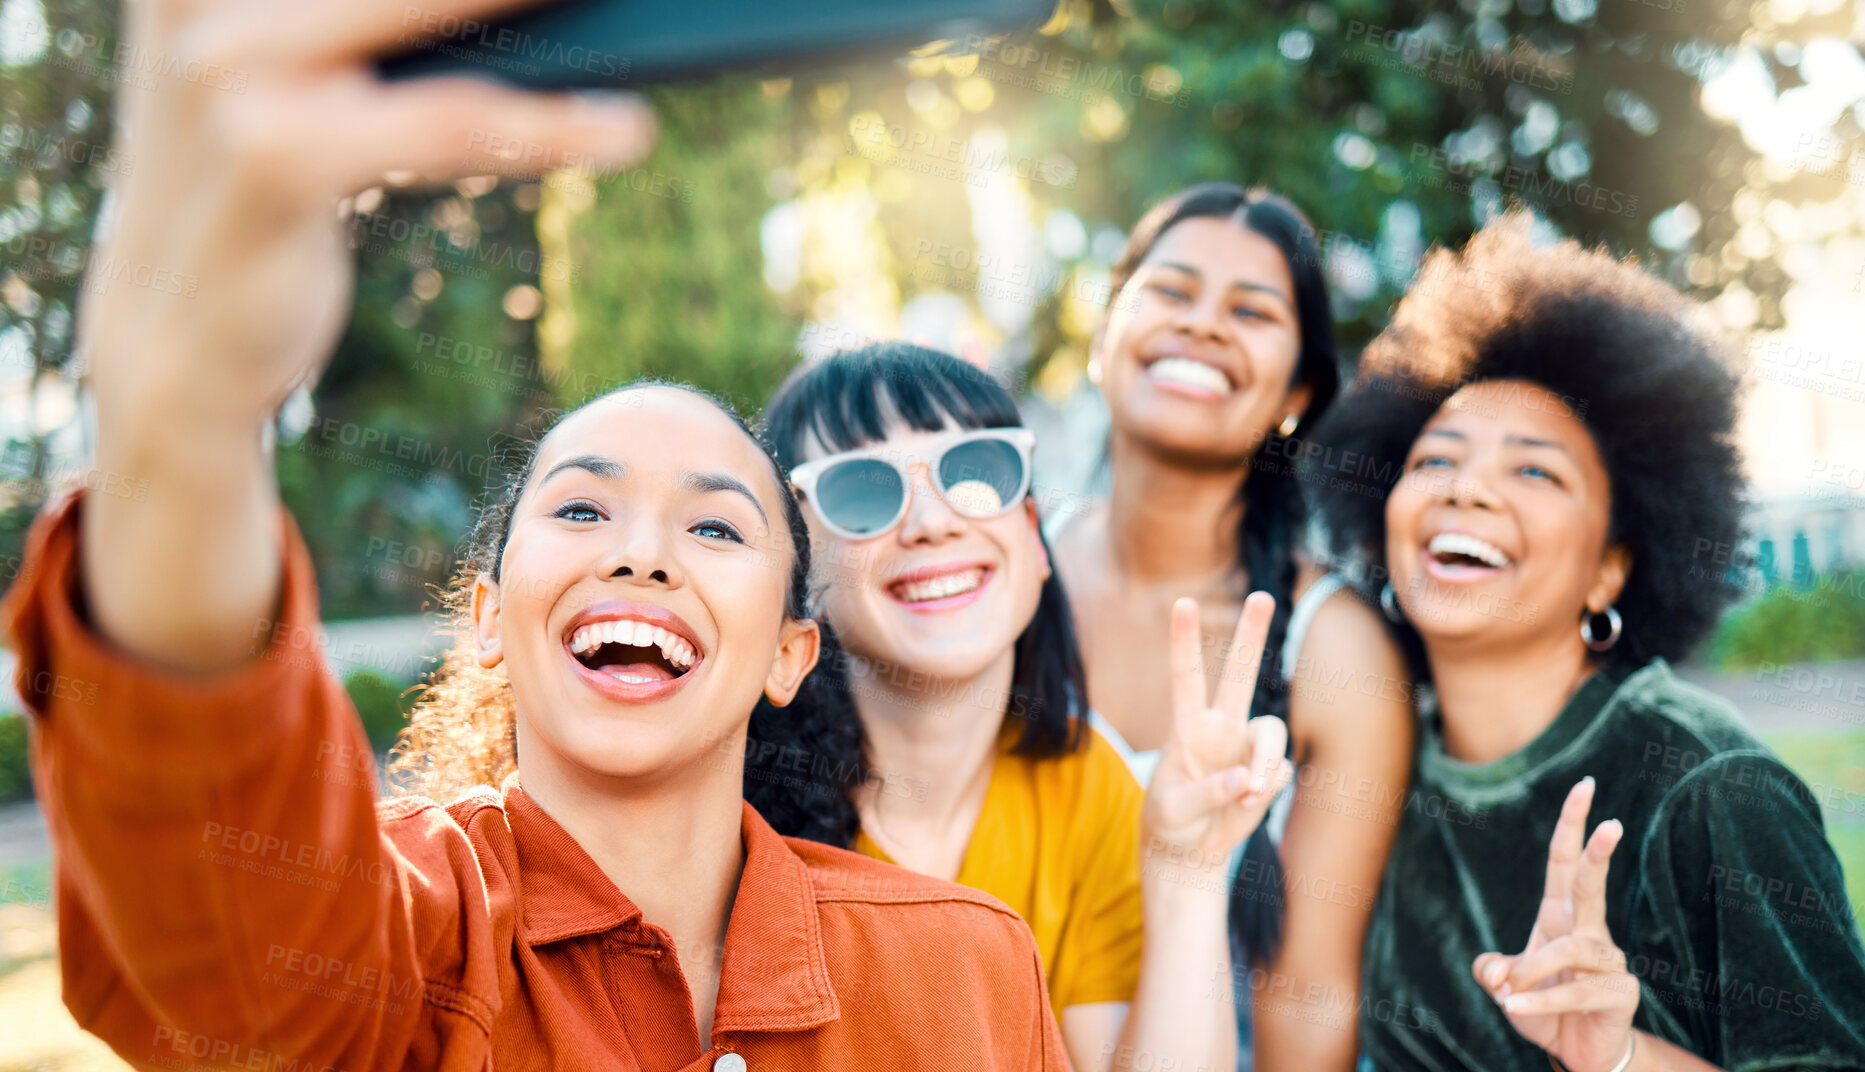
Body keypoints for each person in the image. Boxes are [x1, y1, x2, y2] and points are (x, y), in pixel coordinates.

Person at [2, 1, 1071, 1067]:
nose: (639, 554)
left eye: (713, 523)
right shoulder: (391, 952)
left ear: (791, 652)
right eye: (578, 508)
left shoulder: (967, 972)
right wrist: (186, 417)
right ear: (488, 617)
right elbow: (223, 927)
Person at [1305, 212, 1865, 1072]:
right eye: (1433, 460)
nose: (1468, 490)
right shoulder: (1378, 769)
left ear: (1610, 568)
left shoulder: (1710, 783)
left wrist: (1616, 1057)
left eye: (1534, 469)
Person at [748, 342, 1296, 1072]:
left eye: (976, 477)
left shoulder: (1086, 785)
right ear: (795, 568)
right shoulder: (728, 809)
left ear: (1034, 536)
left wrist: (1188, 871)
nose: (931, 522)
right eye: (862, 491)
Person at [1048, 182, 1414, 1069]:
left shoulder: (1334, 649)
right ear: (1102, 341)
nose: (1203, 325)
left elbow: (1310, 989)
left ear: (1294, 392)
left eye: (1250, 311)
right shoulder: (1008, 567)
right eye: (1170, 292)